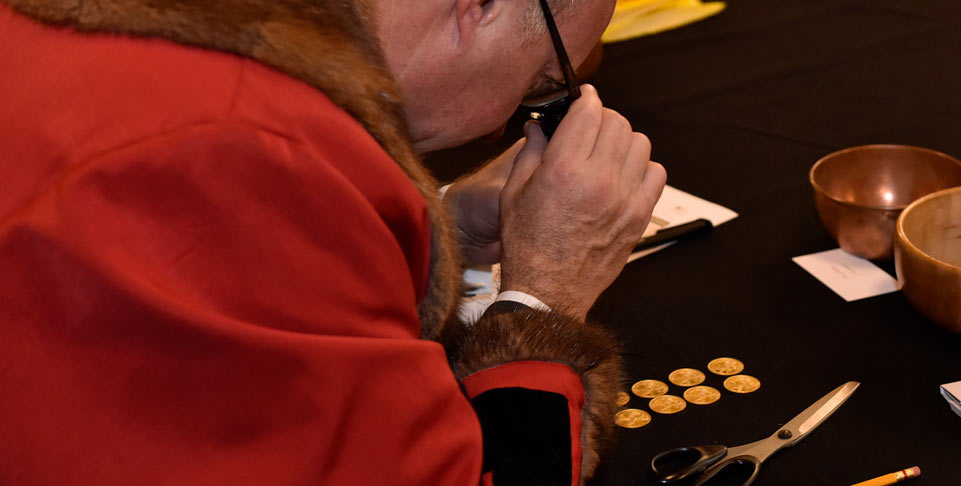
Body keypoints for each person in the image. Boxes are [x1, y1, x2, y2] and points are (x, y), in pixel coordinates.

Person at [0, 0, 666, 484]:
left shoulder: (152, 48)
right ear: (480, 7)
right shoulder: (247, 156)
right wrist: (547, 292)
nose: (508, 118)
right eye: (541, 85)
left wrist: (433, 229)